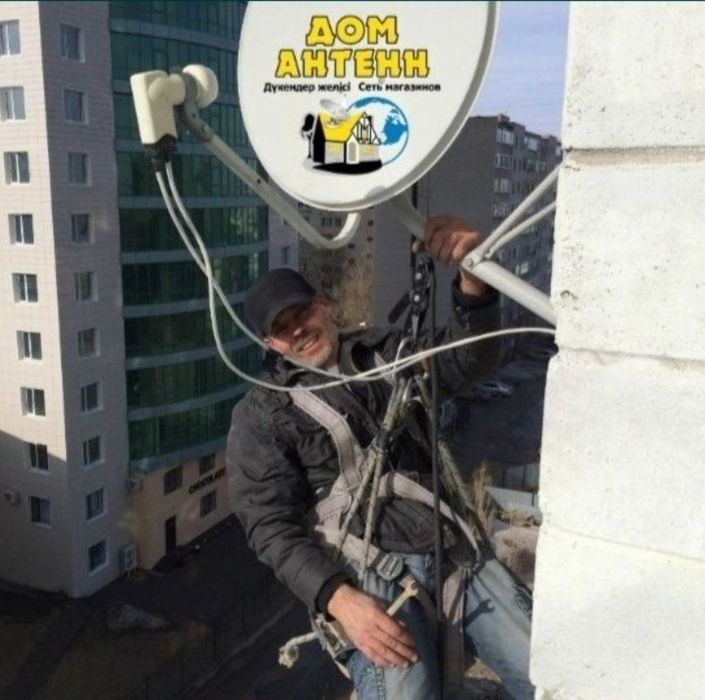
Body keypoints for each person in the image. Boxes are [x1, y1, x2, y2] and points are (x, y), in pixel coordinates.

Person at [226, 216, 535, 700]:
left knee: (547, 671)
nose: (297, 331)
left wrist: (473, 281)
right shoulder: (263, 414)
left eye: (301, 313)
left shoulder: (387, 355)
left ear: (324, 305)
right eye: (282, 330)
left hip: (450, 549)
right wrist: (338, 599)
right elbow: (269, 525)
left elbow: (469, 360)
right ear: (272, 345)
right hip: (368, 573)